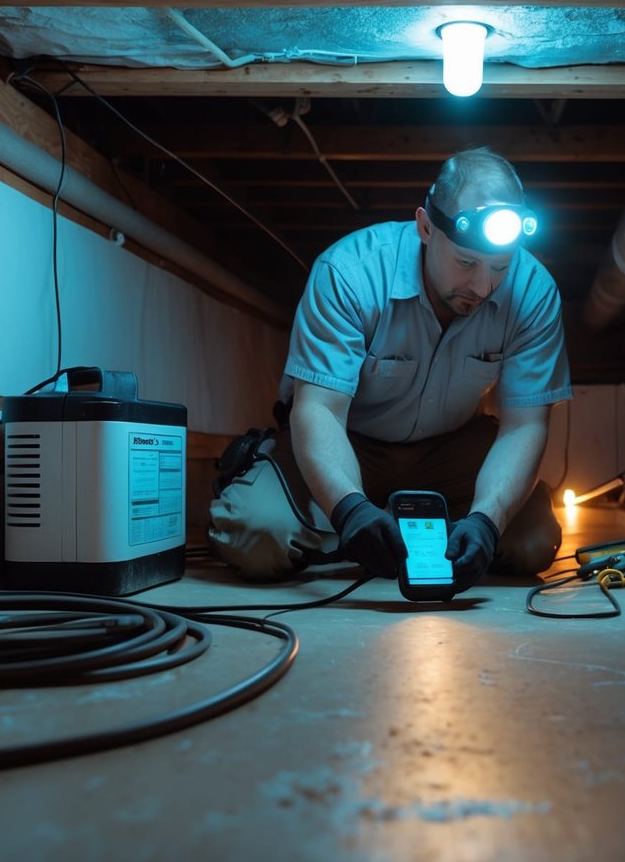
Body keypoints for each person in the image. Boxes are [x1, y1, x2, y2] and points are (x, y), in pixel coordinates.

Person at [208, 147, 571, 594]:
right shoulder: (349, 274)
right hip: (349, 440)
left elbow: (525, 426)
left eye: (500, 266)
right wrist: (350, 510)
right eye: (465, 263)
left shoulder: (533, 293)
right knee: (258, 536)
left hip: (450, 448)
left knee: (531, 543)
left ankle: (416, 527)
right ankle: (357, 523)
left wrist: (487, 520)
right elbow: (318, 410)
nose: (482, 286)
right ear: (424, 227)